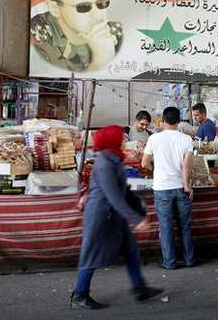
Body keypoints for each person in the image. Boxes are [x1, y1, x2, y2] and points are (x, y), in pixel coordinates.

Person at [71, 126, 162, 310]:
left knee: (131, 250)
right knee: (91, 255)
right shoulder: (105, 162)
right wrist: (137, 220)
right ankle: (79, 295)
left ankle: (139, 288)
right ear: (111, 140)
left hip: (114, 216)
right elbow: (113, 196)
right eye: (119, 138)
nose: (122, 141)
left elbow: (118, 191)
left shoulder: (113, 158)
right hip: (101, 216)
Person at [31, 0, 123, 72]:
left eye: (102, 3)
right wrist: (100, 61)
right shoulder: (36, 34)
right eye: (83, 7)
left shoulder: (117, 33)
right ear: (55, 8)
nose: (98, 16)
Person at [141, 107, 195, 270]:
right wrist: (187, 185)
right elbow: (187, 167)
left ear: (163, 121)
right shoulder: (186, 139)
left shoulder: (154, 139)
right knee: (185, 226)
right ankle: (189, 260)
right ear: (179, 121)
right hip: (180, 187)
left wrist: (155, 169)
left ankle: (170, 262)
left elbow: (144, 163)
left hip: (162, 187)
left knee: (165, 227)